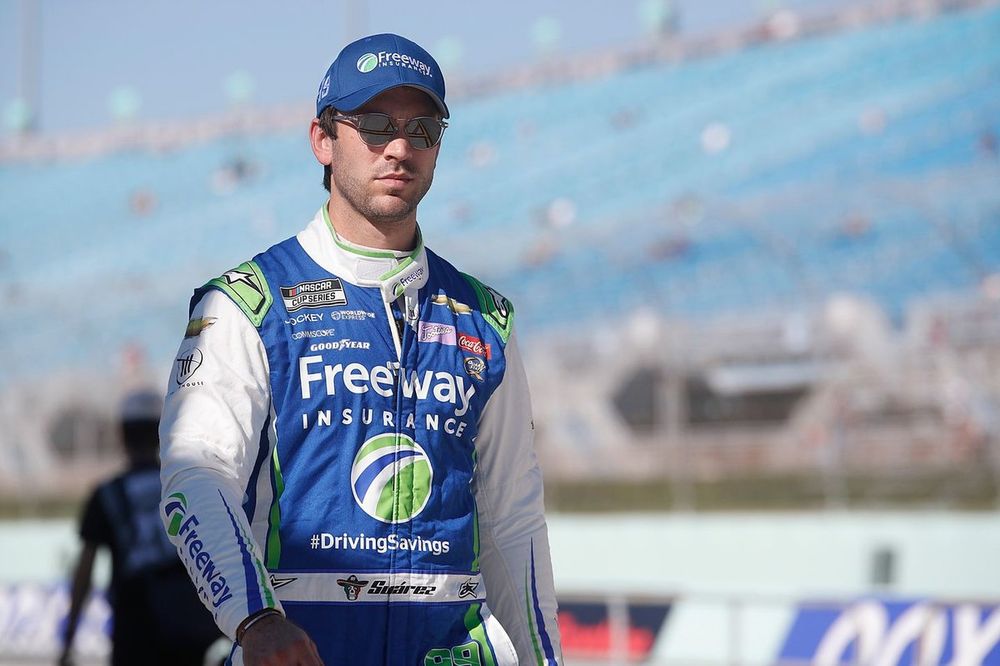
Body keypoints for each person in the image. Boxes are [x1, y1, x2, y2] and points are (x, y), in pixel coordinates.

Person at [159, 32, 562, 665]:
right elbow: (196, 476)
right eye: (375, 125)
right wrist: (255, 620)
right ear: (322, 139)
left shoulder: (485, 320)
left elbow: (513, 521)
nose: (400, 148)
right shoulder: (246, 304)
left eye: (422, 129)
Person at [60, 389, 221, 666]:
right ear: (160, 432)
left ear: (121, 436)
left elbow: (85, 570)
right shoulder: (187, 484)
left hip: (136, 625)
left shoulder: (107, 495)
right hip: (192, 623)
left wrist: (70, 637)